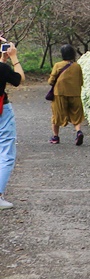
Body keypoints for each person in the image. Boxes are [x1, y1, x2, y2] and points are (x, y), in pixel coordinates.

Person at [0, 39, 25, 210]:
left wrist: (3, 60)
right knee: (6, 152)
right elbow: (18, 79)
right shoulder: (2, 69)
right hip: (2, 111)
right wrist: (14, 58)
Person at [49, 45, 85, 146]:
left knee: (57, 115)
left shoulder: (57, 65)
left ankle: (55, 137)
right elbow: (81, 81)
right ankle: (78, 132)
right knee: (76, 114)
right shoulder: (77, 66)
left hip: (59, 94)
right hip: (75, 94)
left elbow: (51, 81)